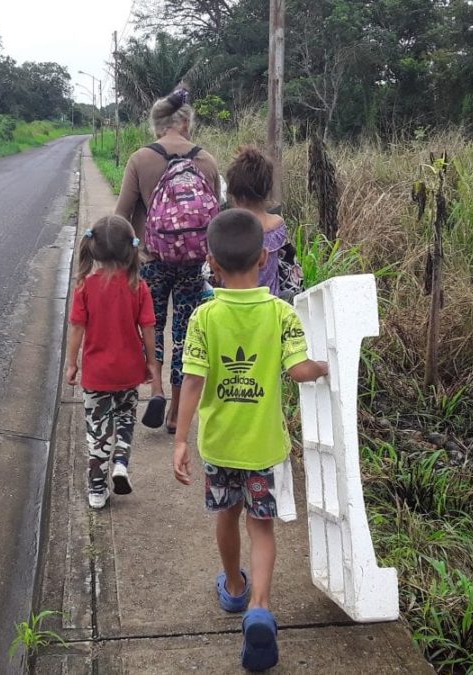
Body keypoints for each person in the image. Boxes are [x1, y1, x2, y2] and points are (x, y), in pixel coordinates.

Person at [172, 209, 329, 671]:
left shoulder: (204, 317)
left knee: (226, 516)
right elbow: (299, 371)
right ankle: (260, 607)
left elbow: (193, 380)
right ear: (264, 258)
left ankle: (234, 588)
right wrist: (321, 368)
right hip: (263, 449)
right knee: (262, 526)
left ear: (210, 263)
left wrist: (181, 440)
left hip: (220, 446)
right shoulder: (281, 314)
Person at [115, 88, 221, 435]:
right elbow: (217, 216)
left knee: (151, 325)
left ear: (157, 124)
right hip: (193, 263)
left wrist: (132, 252)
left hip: (153, 260)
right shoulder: (206, 160)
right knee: (187, 334)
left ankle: (156, 390)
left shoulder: (140, 159)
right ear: (186, 122)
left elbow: (122, 216)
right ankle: (178, 411)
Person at [65, 215, 161, 509]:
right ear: (130, 249)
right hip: (129, 371)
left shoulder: (85, 287)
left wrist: (72, 364)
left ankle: (97, 489)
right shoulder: (138, 286)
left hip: (96, 375)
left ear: (93, 248)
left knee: (98, 429)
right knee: (126, 419)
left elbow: (77, 330)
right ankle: (120, 462)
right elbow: (148, 328)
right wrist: (151, 363)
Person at [225, 146, 288, 297]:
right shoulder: (277, 226)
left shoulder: (225, 227)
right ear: (267, 188)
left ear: (233, 189)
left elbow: (210, 274)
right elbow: (290, 275)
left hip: (231, 310)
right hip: (268, 310)